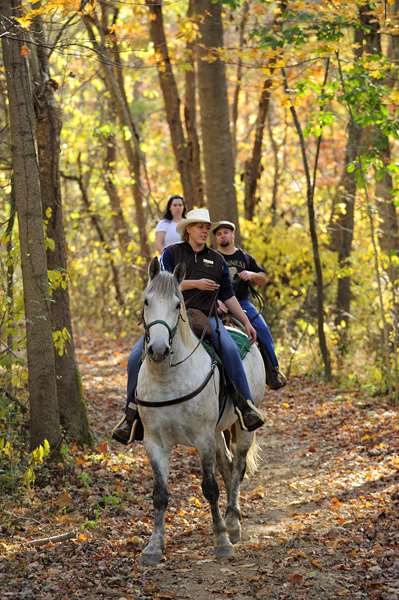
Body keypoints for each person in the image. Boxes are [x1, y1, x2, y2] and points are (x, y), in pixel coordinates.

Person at [112, 208, 265, 445]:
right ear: (188, 230)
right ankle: (130, 415)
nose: (205, 231)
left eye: (207, 227)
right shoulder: (171, 254)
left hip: (207, 317)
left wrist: (246, 322)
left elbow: (229, 295)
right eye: (200, 227)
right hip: (171, 318)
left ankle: (245, 406)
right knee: (134, 358)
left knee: (230, 350)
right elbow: (160, 284)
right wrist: (196, 284)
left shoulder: (217, 260)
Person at [211, 220, 286, 390]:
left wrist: (252, 274)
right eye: (219, 233)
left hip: (243, 302)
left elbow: (264, 278)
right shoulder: (213, 257)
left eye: (226, 232)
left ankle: (273, 371)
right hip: (219, 304)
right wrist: (217, 301)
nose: (223, 235)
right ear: (216, 238)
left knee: (262, 329)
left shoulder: (244, 257)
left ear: (233, 234)